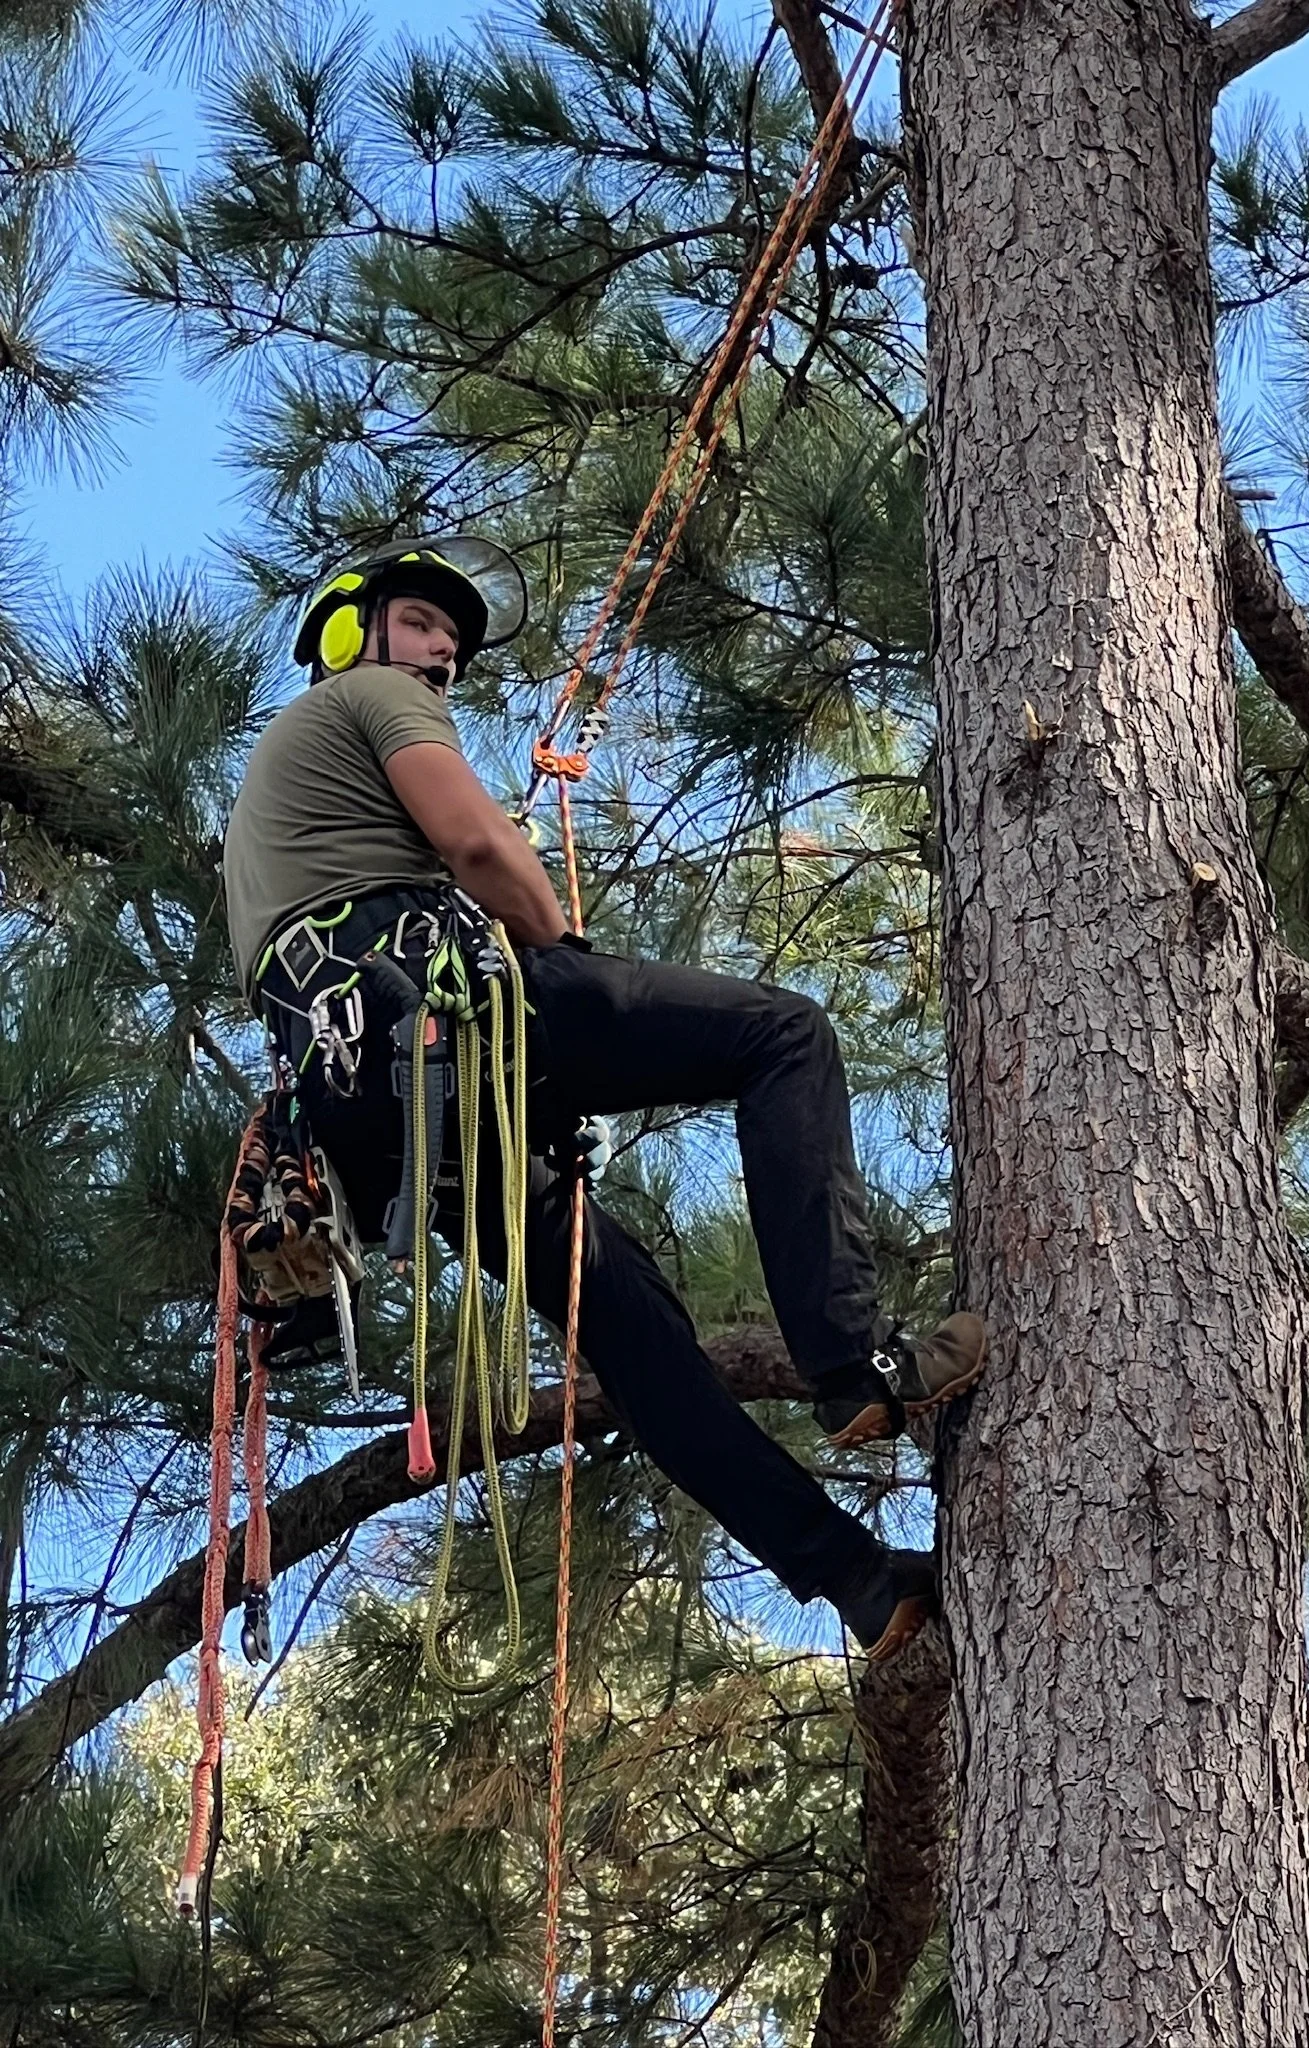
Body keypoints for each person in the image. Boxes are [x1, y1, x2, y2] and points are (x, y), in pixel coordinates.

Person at [221, 537, 985, 1659]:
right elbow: (479, 844)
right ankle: (853, 1362)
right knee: (784, 1035)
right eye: (423, 621)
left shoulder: (282, 804)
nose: (441, 651)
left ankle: (858, 1579)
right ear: (359, 630)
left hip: (376, 1111)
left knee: (634, 1331)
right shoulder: (370, 697)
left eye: (452, 639)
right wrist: (554, 939)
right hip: (437, 1026)